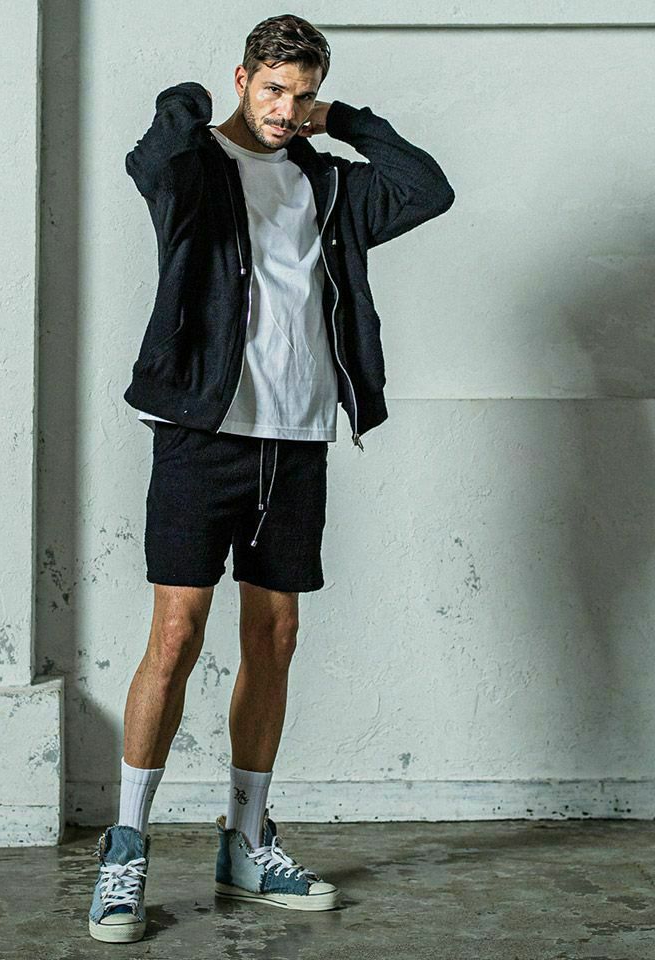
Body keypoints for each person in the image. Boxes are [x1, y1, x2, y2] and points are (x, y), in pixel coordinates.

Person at [88, 13, 455, 943]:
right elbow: (147, 161)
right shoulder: (193, 172)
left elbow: (429, 189)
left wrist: (346, 122)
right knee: (176, 635)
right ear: (244, 78)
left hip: (295, 441)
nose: (288, 109)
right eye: (274, 89)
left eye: (303, 94)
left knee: (276, 635)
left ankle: (247, 840)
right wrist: (195, 107)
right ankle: (126, 845)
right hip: (201, 435)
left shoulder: (328, 183)